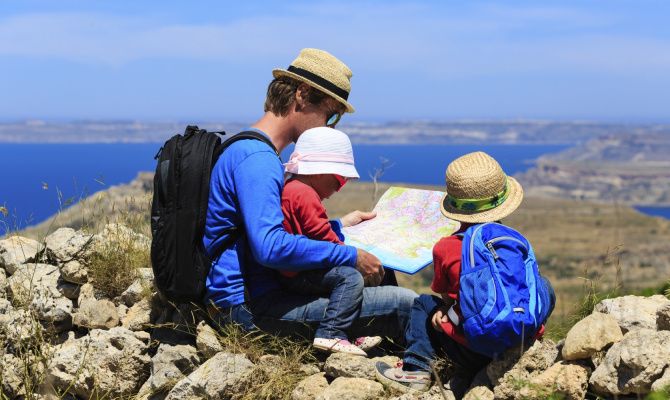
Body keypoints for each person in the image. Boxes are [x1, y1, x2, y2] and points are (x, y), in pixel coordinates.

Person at [203, 48, 417, 344]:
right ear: (302, 94)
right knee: (405, 303)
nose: (328, 128)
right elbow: (270, 247)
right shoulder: (258, 159)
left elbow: (279, 230)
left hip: (261, 294)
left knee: (382, 278)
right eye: (329, 116)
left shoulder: (251, 151)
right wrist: (350, 254)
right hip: (251, 310)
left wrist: (340, 226)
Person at [375, 151, 556, 396]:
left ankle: (415, 368)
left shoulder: (445, 247)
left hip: (472, 351)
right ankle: (533, 336)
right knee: (544, 285)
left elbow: (449, 300)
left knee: (424, 304)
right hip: (520, 342)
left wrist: (443, 313)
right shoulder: (511, 240)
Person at [279, 126, 381, 356]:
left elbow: (310, 229)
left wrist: (341, 224)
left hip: (293, 271)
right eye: (338, 178)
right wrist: (353, 257)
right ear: (317, 171)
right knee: (349, 279)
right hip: (299, 274)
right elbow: (321, 235)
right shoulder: (305, 194)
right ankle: (331, 333)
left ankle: (349, 332)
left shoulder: (293, 188)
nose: (339, 186)